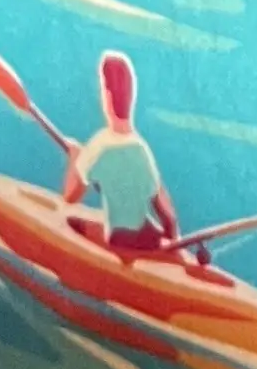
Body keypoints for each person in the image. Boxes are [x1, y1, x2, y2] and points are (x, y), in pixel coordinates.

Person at [61, 52, 181, 259]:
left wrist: (75, 157)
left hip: (119, 239)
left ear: (106, 96)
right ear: (131, 97)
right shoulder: (142, 149)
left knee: (76, 223)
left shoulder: (99, 144)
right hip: (147, 237)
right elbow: (166, 213)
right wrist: (174, 240)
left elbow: (70, 196)